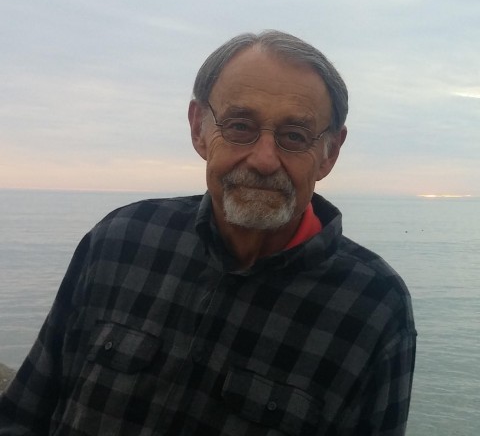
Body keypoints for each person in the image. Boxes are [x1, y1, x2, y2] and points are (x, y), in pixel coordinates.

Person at [0, 30, 416, 435]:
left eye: (294, 136)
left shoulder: (374, 308)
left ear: (329, 153)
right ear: (199, 128)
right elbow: (26, 411)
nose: (264, 160)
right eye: (240, 126)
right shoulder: (120, 241)